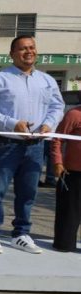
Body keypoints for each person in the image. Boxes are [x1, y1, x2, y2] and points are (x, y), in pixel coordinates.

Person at [0, 35, 64, 254]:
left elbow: (57, 107)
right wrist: (12, 124)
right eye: (23, 48)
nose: (29, 52)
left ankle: (21, 234)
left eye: (32, 48)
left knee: (28, 192)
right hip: (5, 144)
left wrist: (49, 124)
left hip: (36, 146)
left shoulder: (47, 80)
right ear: (12, 53)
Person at [51, 91, 81, 252]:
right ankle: (64, 243)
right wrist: (57, 162)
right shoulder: (74, 114)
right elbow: (57, 139)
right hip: (73, 172)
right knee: (69, 212)